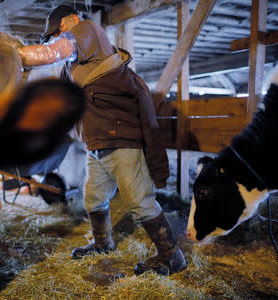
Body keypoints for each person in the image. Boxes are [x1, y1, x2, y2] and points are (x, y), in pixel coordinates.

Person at [17, 5, 186, 276]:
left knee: (139, 203)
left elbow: (51, 53)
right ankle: (102, 242)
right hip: (95, 145)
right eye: (55, 34)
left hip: (122, 140)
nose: (58, 36)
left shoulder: (87, 29)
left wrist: (10, 55)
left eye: (59, 29)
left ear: (72, 19)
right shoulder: (73, 68)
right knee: (93, 199)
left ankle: (171, 256)